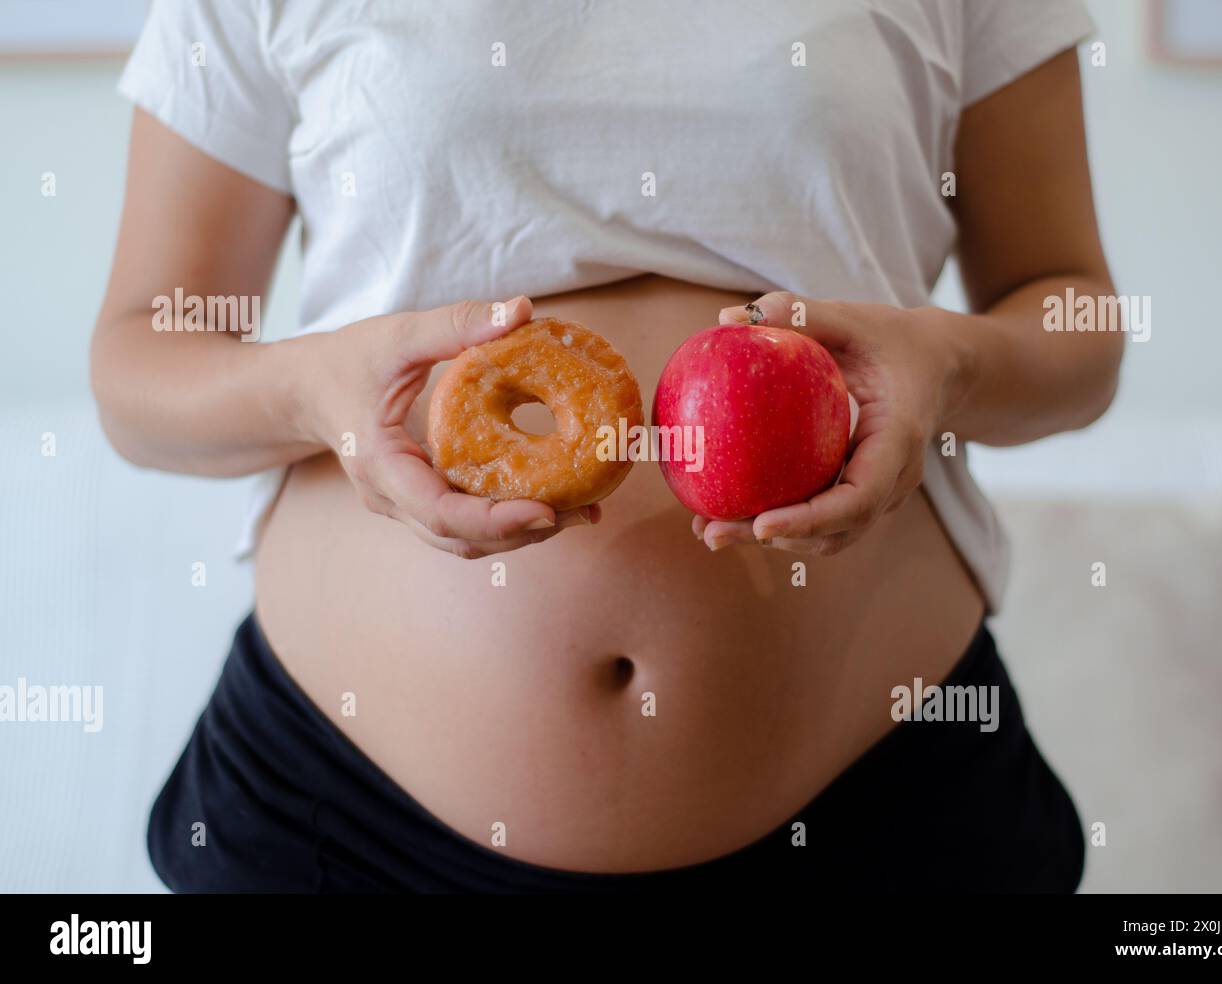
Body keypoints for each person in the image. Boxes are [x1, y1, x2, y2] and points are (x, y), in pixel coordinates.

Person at [92, 0, 1120, 892]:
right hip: (353, 824)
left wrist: (946, 364)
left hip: (881, 816)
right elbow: (139, 368)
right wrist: (312, 390)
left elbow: (1074, 322)